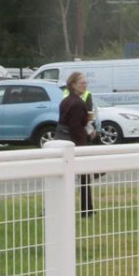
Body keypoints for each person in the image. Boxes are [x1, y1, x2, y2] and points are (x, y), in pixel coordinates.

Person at [59, 71, 94, 217]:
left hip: (62, 140)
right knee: (84, 177)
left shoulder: (66, 100)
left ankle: (52, 209)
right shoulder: (78, 103)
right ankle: (87, 210)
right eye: (82, 83)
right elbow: (76, 127)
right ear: (73, 85)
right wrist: (85, 141)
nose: (85, 85)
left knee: (61, 180)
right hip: (75, 144)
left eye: (86, 83)